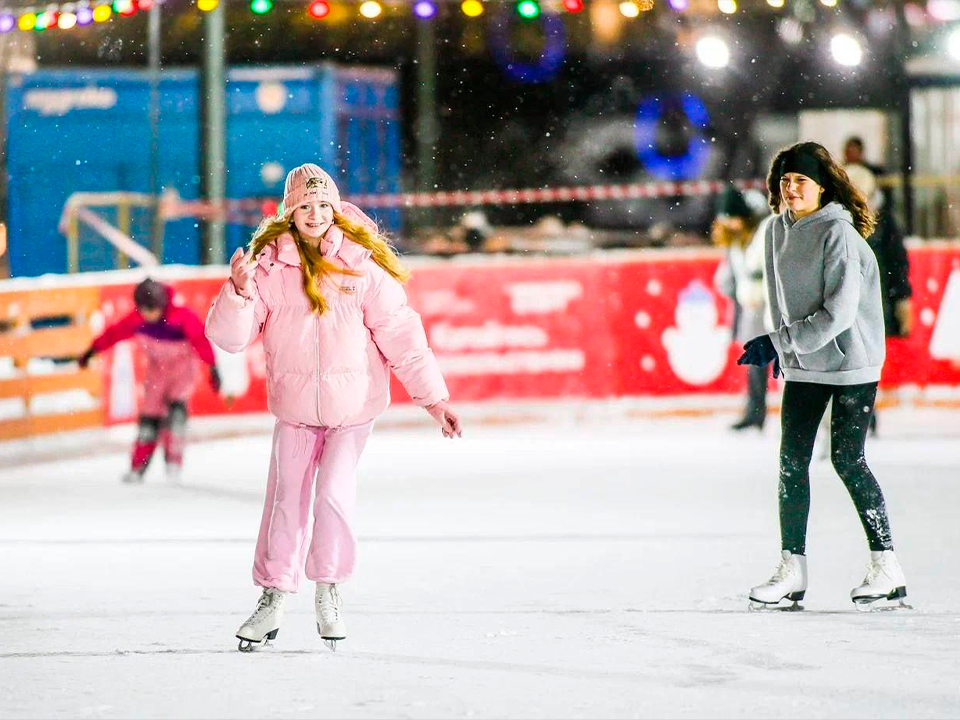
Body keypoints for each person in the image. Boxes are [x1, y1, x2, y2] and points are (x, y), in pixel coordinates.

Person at [205, 163, 462, 652]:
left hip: (353, 408)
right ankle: (273, 598)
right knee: (285, 504)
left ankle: (329, 591)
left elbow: (402, 337)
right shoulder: (268, 269)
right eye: (305, 206)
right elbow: (229, 338)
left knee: (333, 497)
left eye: (324, 204)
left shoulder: (361, 264)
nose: (316, 214)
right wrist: (238, 292)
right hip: (295, 409)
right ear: (290, 211)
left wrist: (434, 399)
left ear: (336, 207)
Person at [738, 142, 909, 611]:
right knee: (791, 462)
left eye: (801, 181)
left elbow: (838, 314)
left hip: (852, 362)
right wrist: (787, 349)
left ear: (821, 186)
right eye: (785, 181)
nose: (791, 189)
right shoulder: (776, 230)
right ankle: (792, 568)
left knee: (847, 460)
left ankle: (886, 566)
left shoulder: (840, 235)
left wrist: (780, 341)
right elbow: (780, 300)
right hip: (806, 364)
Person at [79, 278, 220, 484]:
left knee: (175, 416)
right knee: (148, 419)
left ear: (162, 305)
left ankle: (173, 462)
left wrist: (213, 368)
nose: (148, 314)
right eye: (144, 309)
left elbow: (201, 340)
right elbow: (114, 333)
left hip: (182, 371)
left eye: (152, 309)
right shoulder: (137, 320)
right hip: (157, 373)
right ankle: (138, 467)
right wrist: (92, 349)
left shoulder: (181, 318)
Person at [712, 186, 772, 431]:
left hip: (767, 304)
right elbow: (732, 271)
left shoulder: (762, 232)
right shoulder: (733, 237)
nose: (732, 224)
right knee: (755, 362)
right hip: (749, 306)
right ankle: (755, 412)